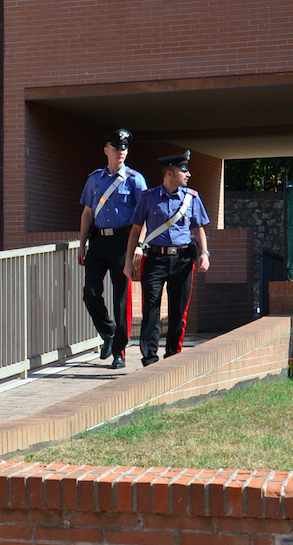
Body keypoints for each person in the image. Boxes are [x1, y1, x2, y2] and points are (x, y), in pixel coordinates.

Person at [123, 150, 210, 367]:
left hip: (182, 260)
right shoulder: (148, 197)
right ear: (169, 173)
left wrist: (204, 253)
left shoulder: (192, 198)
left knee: (178, 311)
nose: (188, 174)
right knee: (151, 309)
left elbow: (198, 228)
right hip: (155, 259)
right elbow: (135, 231)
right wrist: (128, 262)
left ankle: (173, 355)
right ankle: (150, 358)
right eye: (183, 170)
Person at [78, 129, 147, 369]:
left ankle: (120, 351)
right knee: (90, 293)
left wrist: (139, 245)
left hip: (123, 241)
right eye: (116, 148)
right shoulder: (94, 179)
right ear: (106, 150)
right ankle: (108, 332)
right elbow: (87, 213)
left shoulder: (135, 179)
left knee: (121, 299)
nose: (121, 152)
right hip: (98, 241)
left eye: (124, 148)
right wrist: (81, 244)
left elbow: (144, 216)